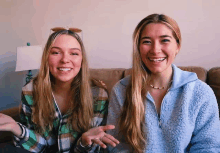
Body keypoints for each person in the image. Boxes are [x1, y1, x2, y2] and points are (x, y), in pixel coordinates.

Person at [107, 14, 220, 153]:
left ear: (177, 46)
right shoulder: (121, 90)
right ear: (138, 47)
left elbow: (208, 147)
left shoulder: (201, 92)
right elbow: (117, 145)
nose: (155, 50)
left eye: (164, 40)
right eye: (147, 41)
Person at [0, 27, 119, 153]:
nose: (65, 60)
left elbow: (93, 147)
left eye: (74, 53)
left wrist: (84, 141)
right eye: (56, 52)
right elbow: (39, 146)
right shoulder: (30, 90)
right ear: (46, 57)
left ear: (82, 59)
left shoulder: (98, 94)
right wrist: (16, 128)